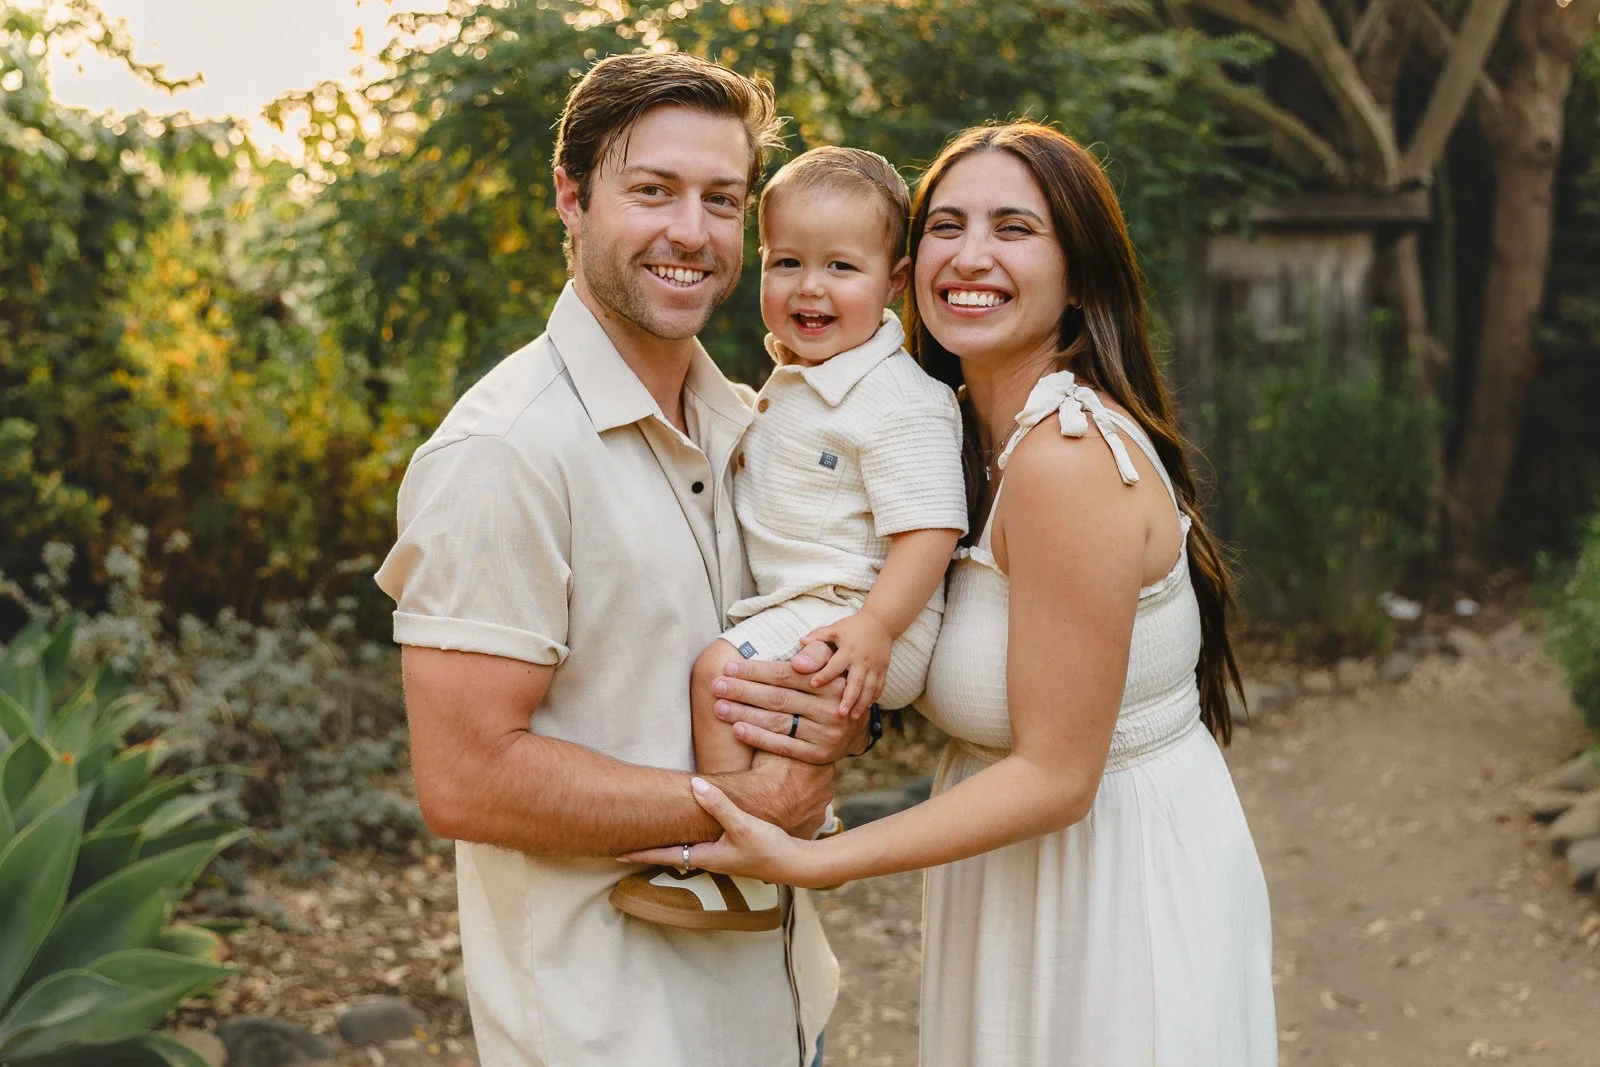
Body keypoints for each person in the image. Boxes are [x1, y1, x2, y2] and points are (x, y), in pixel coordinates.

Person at [625, 121, 1278, 1066]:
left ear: (1080, 272)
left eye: (1015, 228)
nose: (971, 256)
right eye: (948, 225)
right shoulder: (944, 425)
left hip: (1110, 886)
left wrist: (813, 858)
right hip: (1013, 872)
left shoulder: (1062, 457)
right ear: (909, 259)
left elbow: (1057, 776)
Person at [376, 53, 870, 1067]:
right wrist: (744, 804)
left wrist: (827, 705)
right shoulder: (504, 452)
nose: (690, 232)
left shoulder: (756, 420)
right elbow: (466, 776)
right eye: (652, 191)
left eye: (721, 200)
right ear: (571, 196)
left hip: (779, 1012)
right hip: (611, 1030)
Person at [609, 146, 967, 934]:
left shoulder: (898, 398)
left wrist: (875, 627)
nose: (809, 287)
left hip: (864, 613)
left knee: (719, 674)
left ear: (895, 282)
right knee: (730, 674)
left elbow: (932, 527)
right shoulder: (798, 375)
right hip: (823, 604)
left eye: (841, 266)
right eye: (786, 262)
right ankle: (801, 825)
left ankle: (740, 865)